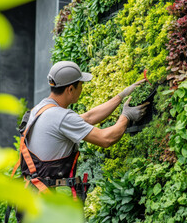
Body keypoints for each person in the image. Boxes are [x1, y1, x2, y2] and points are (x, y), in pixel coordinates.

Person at [19, 60, 149, 200]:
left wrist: (121, 96)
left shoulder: (41, 109)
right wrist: (126, 116)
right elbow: (106, 139)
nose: (82, 88)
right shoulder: (60, 116)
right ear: (70, 89)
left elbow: (88, 117)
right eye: (81, 84)